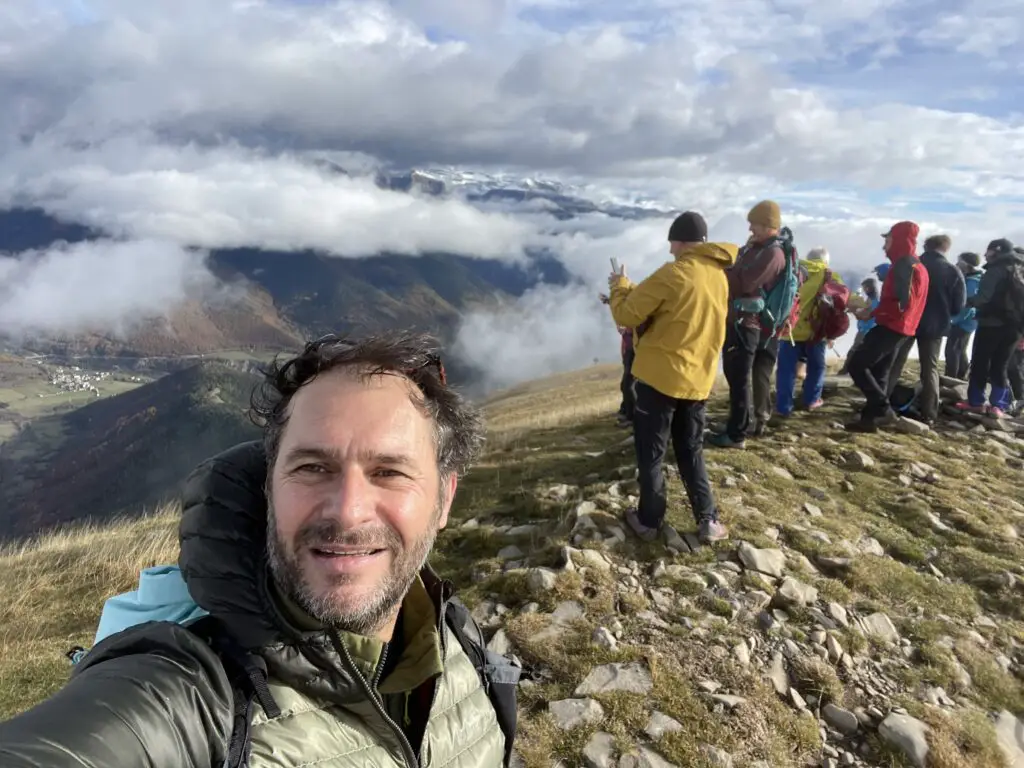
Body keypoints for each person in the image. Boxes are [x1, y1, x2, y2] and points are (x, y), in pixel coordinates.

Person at [0, 333, 516, 768]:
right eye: (313, 468)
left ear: (444, 498)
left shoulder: (459, 640)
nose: (348, 511)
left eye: (389, 472)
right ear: (268, 485)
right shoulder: (196, 694)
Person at [607, 210, 735, 545]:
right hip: (698, 380)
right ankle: (708, 520)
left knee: (652, 452)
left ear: (680, 241)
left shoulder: (673, 273)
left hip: (660, 379)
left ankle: (649, 520)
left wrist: (619, 287)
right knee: (691, 451)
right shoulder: (718, 275)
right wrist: (636, 290)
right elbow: (678, 307)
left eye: (672, 243)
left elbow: (626, 313)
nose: (670, 250)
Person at [710, 200, 794, 448]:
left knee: (740, 378)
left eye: (754, 225)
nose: (750, 230)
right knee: (739, 377)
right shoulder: (760, 248)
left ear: (769, 226)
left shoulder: (772, 253)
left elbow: (744, 284)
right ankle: (739, 424)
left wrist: (723, 270)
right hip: (746, 324)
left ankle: (737, 434)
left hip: (747, 325)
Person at [845, 221, 929, 432]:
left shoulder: (903, 265)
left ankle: (883, 409)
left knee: (857, 364)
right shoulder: (916, 265)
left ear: (899, 240)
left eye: (888, 240)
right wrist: (873, 312)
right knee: (880, 371)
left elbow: (903, 304)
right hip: (904, 328)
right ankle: (870, 420)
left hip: (892, 326)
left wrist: (873, 313)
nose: (885, 246)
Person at [884, 234, 966, 423]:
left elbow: (895, 292)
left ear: (926, 246)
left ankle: (881, 404)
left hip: (907, 322)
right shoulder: (953, 270)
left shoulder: (912, 265)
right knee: (930, 368)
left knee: (895, 362)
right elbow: (958, 306)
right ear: (946, 248)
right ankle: (929, 414)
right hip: (935, 326)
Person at [956, 239, 1024, 417]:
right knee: (1000, 364)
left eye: (988, 251)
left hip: (991, 323)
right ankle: (998, 406)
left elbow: (983, 298)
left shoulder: (995, 270)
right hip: (1015, 328)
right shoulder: (1020, 270)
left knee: (980, 362)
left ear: (996, 251)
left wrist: (965, 302)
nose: (985, 254)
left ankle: (976, 402)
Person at [775, 247, 841, 416]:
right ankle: (812, 400)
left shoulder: (794, 271)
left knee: (785, 370)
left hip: (790, 329)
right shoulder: (829, 275)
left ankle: (783, 407)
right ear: (825, 261)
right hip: (816, 333)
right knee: (817, 368)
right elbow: (843, 298)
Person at [946, 252, 983, 380]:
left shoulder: (972, 282)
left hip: (964, 322)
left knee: (952, 350)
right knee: (960, 350)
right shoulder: (976, 279)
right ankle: (962, 378)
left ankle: (951, 378)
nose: (956, 264)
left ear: (965, 264)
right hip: (969, 321)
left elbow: (967, 305)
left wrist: (954, 320)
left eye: (959, 261)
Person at [838, 277, 880, 376]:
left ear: (869, 288)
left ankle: (845, 370)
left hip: (866, 331)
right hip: (867, 330)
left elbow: (865, 317)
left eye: (865, 288)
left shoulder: (874, 302)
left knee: (854, 351)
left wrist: (853, 310)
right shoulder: (873, 300)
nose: (865, 290)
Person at [617, 326, 636, 426]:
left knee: (629, 387)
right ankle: (629, 415)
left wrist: (627, 329)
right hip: (629, 352)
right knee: (625, 386)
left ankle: (634, 417)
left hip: (635, 352)